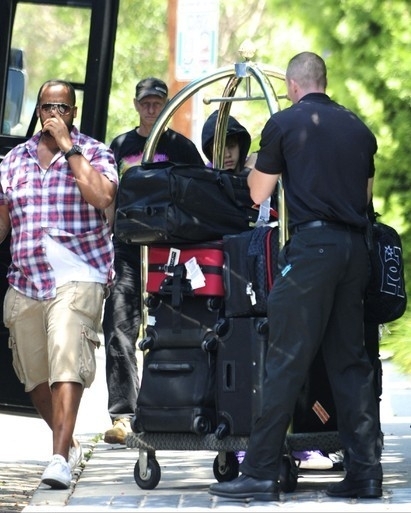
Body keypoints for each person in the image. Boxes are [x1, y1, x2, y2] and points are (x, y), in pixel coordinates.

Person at [209, 51, 383, 501]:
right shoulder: (359, 129)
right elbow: (365, 199)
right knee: (351, 365)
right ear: (324, 81)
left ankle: (261, 473)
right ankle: (365, 473)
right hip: (354, 251)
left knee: (284, 360)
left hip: (312, 253)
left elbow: (257, 192)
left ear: (291, 85)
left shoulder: (285, 124)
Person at [0, 79, 118, 489]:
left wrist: (69, 147)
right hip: (27, 279)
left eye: (62, 107)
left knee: (67, 355)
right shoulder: (13, 160)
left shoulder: (96, 152)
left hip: (80, 273)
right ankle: (66, 444)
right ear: (36, 109)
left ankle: (58, 458)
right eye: (47, 106)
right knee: (34, 376)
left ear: (73, 112)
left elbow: (103, 197)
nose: (54, 113)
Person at [103, 77, 204, 445]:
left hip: (171, 253)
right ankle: (124, 414)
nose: (151, 108)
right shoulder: (120, 145)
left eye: (157, 102)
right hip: (128, 247)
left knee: (173, 327)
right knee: (119, 325)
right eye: (145, 102)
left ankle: (173, 404)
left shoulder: (183, 148)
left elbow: (200, 193)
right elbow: (107, 192)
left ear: (166, 105)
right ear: (135, 104)